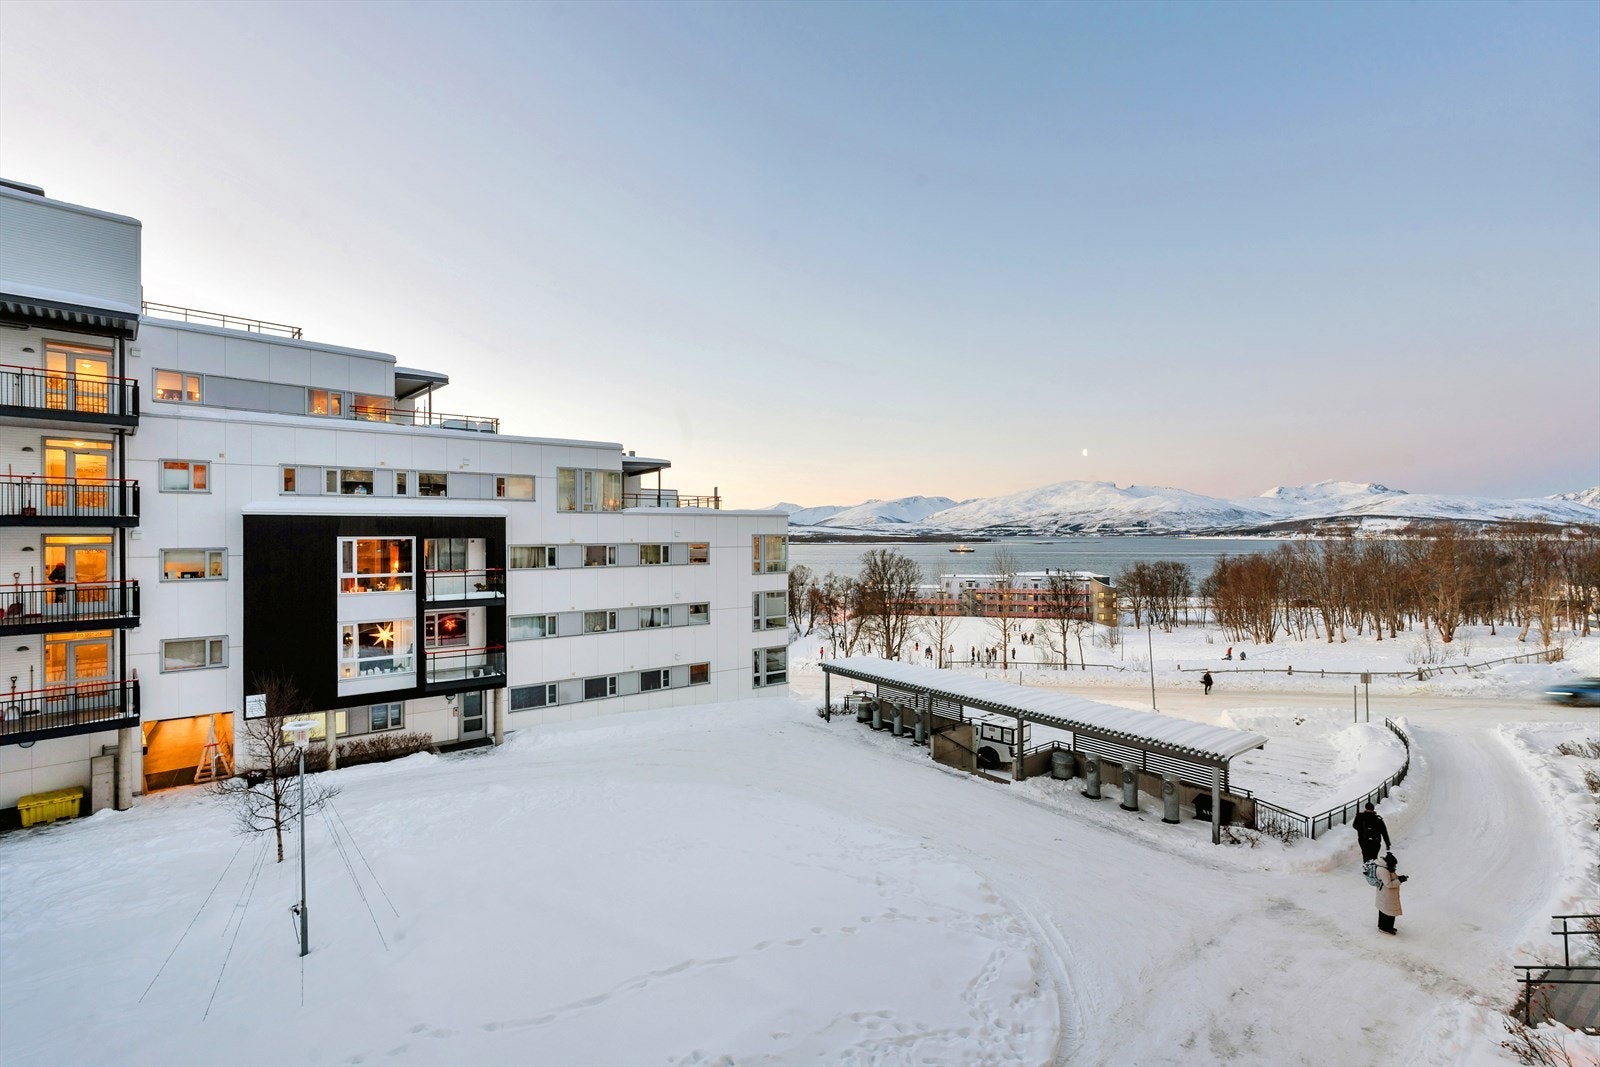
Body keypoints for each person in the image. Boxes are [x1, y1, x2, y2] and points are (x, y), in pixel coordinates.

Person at [1375, 852, 1407, 934]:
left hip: (1385, 894)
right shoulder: (1383, 870)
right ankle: (1386, 928)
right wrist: (1399, 880)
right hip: (1386, 894)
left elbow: (1390, 878)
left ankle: (1385, 927)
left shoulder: (1385, 868)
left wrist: (1399, 878)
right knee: (1388, 912)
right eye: (1394, 865)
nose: (1395, 866)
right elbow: (1388, 884)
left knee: (1385, 911)